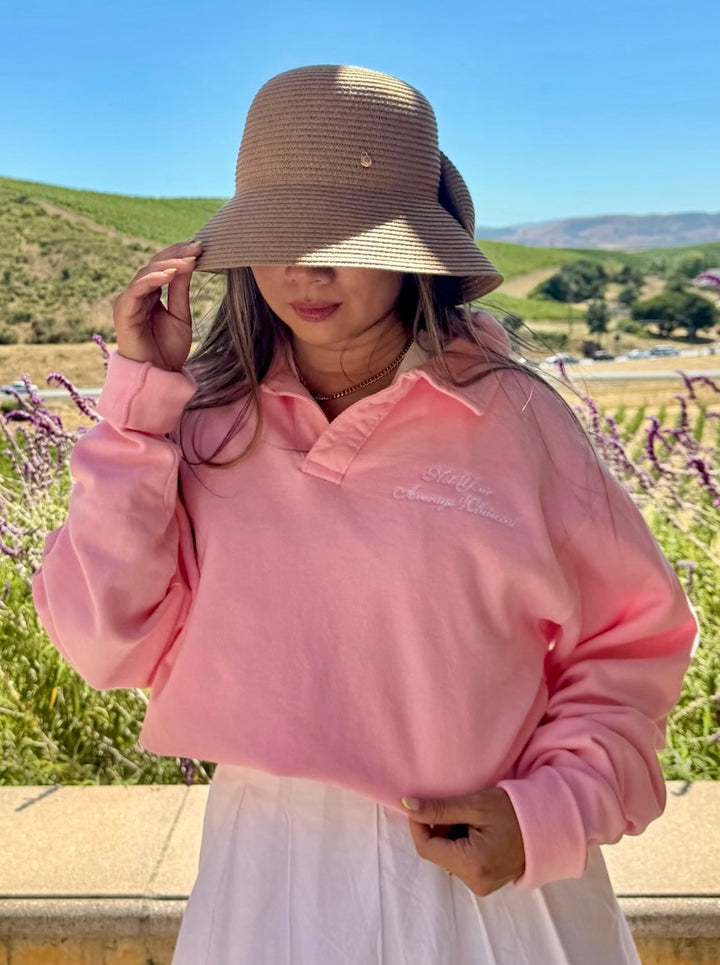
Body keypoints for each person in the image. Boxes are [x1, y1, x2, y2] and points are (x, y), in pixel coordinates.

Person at [32, 65, 696, 964]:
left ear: (415, 247)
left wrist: (549, 811)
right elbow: (107, 644)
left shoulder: (517, 420)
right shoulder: (203, 426)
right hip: (267, 880)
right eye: (279, 233)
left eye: (345, 235)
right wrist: (140, 403)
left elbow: (633, 644)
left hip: (488, 890)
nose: (307, 269)